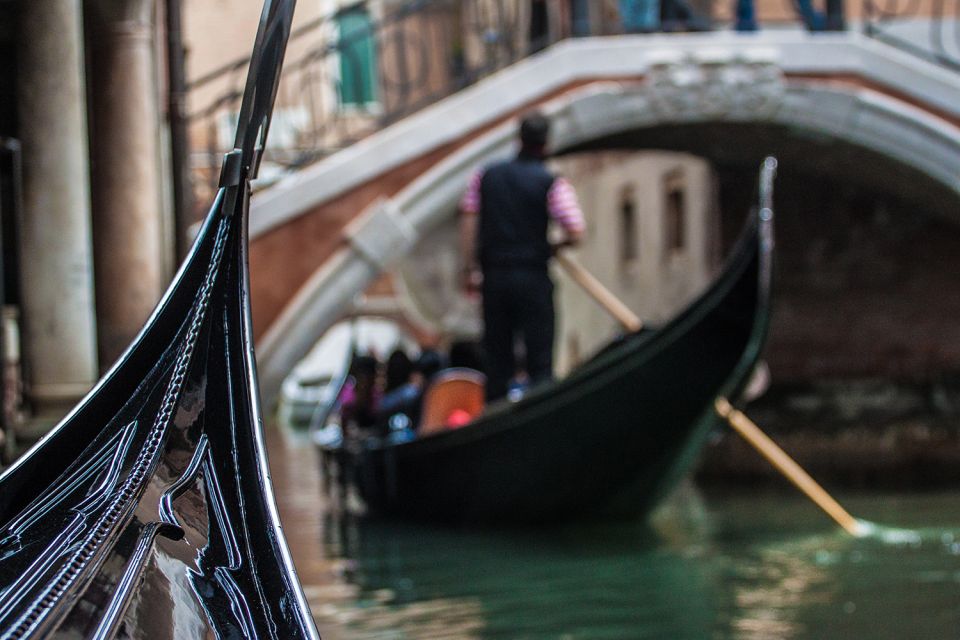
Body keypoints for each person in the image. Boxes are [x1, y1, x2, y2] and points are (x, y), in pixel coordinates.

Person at [459, 111, 585, 402]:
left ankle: (495, 416)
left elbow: (468, 219)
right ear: (547, 144)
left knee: (497, 360)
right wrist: (555, 246)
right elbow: (576, 231)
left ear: (518, 140)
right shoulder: (551, 182)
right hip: (532, 276)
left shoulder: (485, 176)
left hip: (495, 277)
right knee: (540, 361)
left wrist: (469, 269)